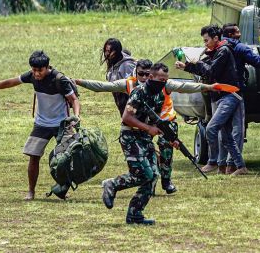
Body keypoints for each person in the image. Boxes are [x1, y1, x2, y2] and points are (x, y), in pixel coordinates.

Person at [76, 59, 217, 194]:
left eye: (146, 74)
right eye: (140, 74)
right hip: (143, 125)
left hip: (166, 121)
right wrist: (78, 82)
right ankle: (144, 183)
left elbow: (184, 87)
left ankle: (166, 181)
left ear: (151, 74)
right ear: (136, 73)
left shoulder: (163, 83)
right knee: (145, 161)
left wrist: (208, 87)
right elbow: (103, 86)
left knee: (166, 149)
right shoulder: (131, 85)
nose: (143, 77)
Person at [0, 50, 80, 200]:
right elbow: (10, 82)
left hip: (62, 123)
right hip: (41, 123)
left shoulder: (59, 80)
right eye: (34, 70)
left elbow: (74, 100)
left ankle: (63, 190)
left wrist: (75, 117)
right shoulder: (31, 76)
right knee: (33, 156)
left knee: (66, 158)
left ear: (47, 67)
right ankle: (31, 191)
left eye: (39, 70)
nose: (36, 74)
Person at [101, 63, 177, 225]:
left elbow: (156, 121)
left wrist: (171, 138)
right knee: (141, 174)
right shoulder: (139, 92)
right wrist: (148, 128)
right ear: (151, 77)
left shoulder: (160, 96)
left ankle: (135, 214)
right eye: (160, 79)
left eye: (165, 80)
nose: (162, 82)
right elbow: (126, 117)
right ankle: (112, 184)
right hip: (130, 136)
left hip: (144, 138)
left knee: (153, 176)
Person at [175, 24, 248, 176]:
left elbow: (210, 71)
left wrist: (197, 62)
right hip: (221, 97)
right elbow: (207, 70)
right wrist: (187, 66)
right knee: (226, 135)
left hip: (229, 96)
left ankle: (213, 161)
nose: (205, 43)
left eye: (206, 40)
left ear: (216, 38)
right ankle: (241, 167)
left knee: (211, 128)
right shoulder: (215, 51)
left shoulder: (223, 51)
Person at [220, 23, 260, 174]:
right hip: (235, 92)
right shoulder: (240, 48)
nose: (240, 33)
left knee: (222, 129)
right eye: (237, 31)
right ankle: (233, 165)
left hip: (218, 92)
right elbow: (259, 62)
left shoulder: (217, 46)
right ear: (231, 34)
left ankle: (220, 164)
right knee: (238, 129)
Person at [102, 38, 136, 115]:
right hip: (120, 99)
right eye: (106, 50)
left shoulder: (127, 65)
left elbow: (133, 90)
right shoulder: (114, 62)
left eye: (109, 51)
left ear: (116, 51)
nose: (107, 53)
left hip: (129, 101)